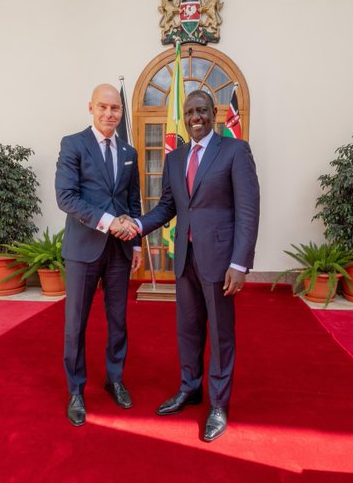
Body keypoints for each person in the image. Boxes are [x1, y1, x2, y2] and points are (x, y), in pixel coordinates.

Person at [118, 89, 260, 442]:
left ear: (214, 113)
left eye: (202, 110)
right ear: (184, 117)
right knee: (188, 329)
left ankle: (218, 404)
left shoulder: (235, 151)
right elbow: (169, 206)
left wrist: (240, 263)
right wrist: (137, 225)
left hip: (220, 259)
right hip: (185, 257)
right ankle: (190, 387)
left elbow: (248, 211)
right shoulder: (176, 157)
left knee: (221, 334)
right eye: (190, 112)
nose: (196, 117)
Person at [55, 83, 142, 427]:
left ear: (121, 112)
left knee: (118, 321)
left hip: (120, 252)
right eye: (103, 107)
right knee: (75, 324)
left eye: (115, 109)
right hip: (83, 250)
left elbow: (133, 202)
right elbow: (66, 197)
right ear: (91, 107)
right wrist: (109, 223)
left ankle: (114, 378)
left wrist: (135, 243)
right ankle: (76, 388)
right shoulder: (73, 144)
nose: (110, 114)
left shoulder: (129, 151)